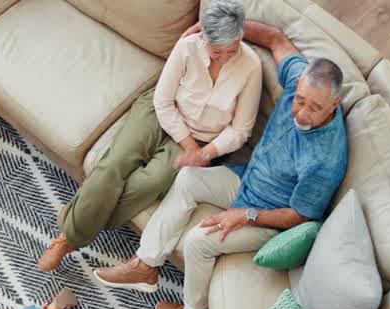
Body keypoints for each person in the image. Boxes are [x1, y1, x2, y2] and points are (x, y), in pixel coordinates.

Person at [93, 19, 349, 309]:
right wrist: (207, 28)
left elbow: (302, 216)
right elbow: (275, 38)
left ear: (335, 105)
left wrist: (247, 216)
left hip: (268, 218)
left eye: (315, 108)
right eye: (299, 100)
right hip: (246, 181)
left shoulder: (326, 159)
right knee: (188, 177)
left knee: (198, 242)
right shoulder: (299, 78)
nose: (302, 112)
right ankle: (146, 265)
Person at [37, 1, 262, 272]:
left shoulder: (251, 66)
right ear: (203, 36)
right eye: (217, 52)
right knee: (113, 165)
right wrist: (188, 145)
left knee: (150, 184)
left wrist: (204, 153)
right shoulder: (187, 46)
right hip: (159, 115)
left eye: (232, 50)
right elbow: (163, 100)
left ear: (240, 36)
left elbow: (240, 130)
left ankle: (76, 225)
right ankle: (70, 237)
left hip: (205, 140)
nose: (225, 58)